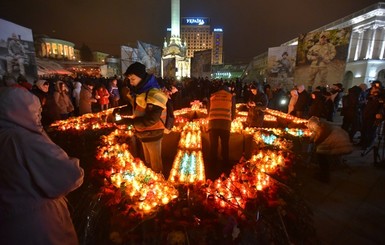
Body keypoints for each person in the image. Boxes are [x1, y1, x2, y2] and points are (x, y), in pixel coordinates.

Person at [0, 86, 84, 244]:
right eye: (35, 111)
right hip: (38, 225)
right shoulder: (26, 140)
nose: (38, 116)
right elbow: (67, 176)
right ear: (22, 111)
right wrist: (74, 165)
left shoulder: (5, 136)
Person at [117, 62, 168, 173]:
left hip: (153, 133)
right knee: (148, 163)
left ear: (141, 77)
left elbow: (151, 119)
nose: (131, 82)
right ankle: (152, 185)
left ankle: (161, 187)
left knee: (156, 166)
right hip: (144, 133)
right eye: (129, 79)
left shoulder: (153, 93)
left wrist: (130, 122)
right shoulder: (140, 92)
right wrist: (120, 111)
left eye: (133, 79)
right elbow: (137, 109)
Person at [307, 116, 353, 183]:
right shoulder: (325, 124)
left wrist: (311, 139)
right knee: (322, 151)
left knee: (320, 154)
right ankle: (326, 169)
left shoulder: (319, 128)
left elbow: (315, 139)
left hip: (339, 144)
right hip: (345, 143)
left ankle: (324, 176)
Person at [207, 84, 235, 178]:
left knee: (213, 145)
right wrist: (231, 119)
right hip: (225, 124)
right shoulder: (230, 96)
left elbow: (208, 110)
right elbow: (233, 111)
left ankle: (212, 164)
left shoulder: (212, 96)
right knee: (225, 144)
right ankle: (225, 163)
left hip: (213, 123)